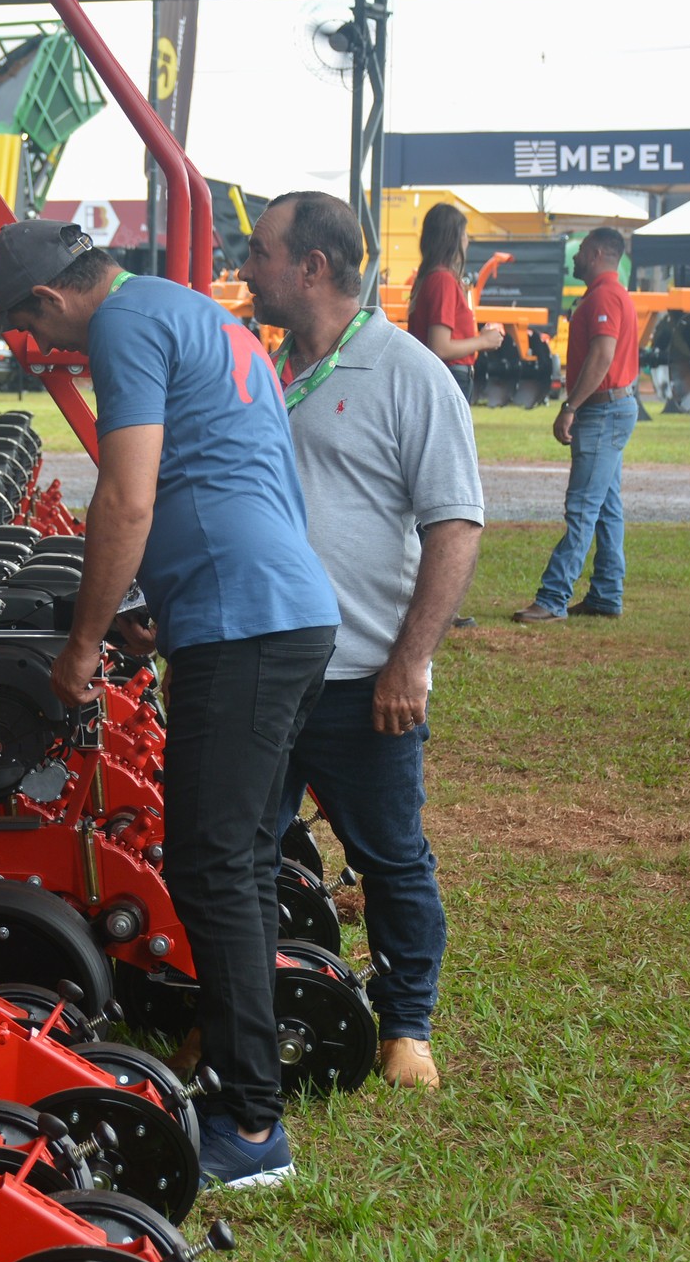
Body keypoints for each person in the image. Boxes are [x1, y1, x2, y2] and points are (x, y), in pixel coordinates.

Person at [0, 218, 339, 1187]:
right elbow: (240, 473)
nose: (36, 347)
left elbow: (126, 497)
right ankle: (238, 1066)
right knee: (239, 862)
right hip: (283, 607)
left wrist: (84, 640)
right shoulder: (197, 315)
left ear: (47, 302)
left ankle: (250, 1126)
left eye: (25, 328)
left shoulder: (121, 329)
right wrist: (161, 607)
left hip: (246, 622)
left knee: (211, 865)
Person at [237, 190, 482, 1091]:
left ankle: (406, 1027)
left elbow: (456, 524)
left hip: (360, 677)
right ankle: (240, 1018)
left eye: (260, 252)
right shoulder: (263, 369)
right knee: (242, 856)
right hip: (261, 667)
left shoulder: (408, 373)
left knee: (388, 856)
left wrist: (409, 660)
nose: (247, 267)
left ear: (313, 267)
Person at [514, 227, 639, 622]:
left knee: (583, 507)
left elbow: (602, 356)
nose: (575, 257)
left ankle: (552, 599)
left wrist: (570, 406)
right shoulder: (612, 293)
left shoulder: (604, 295)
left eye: (581, 250)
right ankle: (605, 594)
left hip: (602, 410)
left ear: (597, 253)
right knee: (606, 508)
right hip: (614, 407)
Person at [404, 201, 505, 397]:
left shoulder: (430, 278)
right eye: (464, 234)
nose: (467, 241)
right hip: (451, 376)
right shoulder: (443, 280)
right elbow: (440, 347)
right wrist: (483, 341)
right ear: (453, 240)